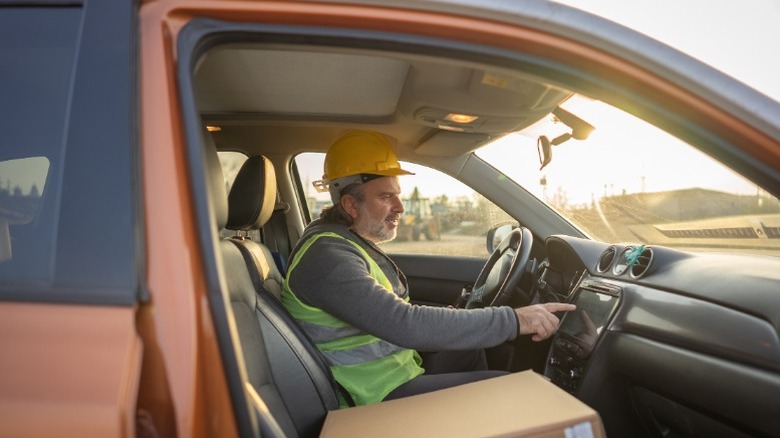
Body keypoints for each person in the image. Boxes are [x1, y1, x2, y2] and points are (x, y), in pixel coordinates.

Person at [281, 130, 575, 406]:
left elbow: (389, 314)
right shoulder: (327, 258)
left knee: (469, 349)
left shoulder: (342, 243)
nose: (400, 206)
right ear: (351, 205)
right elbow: (404, 323)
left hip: (395, 375)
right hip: (374, 397)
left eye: (397, 194)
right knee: (516, 393)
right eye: (386, 196)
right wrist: (514, 320)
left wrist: (457, 319)